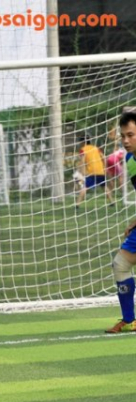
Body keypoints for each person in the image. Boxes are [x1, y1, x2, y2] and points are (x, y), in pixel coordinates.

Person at [106, 111, 136, 333]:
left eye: (131, 135)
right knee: (121, 264)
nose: (126, 140)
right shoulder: (129, 159)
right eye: (123, 136)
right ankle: (130, 320)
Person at [75, 135, 113, 209]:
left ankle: (77, 204)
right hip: (100, 171)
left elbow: (82, 162)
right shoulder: (95, 148)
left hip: (91, 172)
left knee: (84, 187)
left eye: (80, 142)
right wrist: (105, 168)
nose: (80, 143)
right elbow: (104, 157)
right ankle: (112, 202)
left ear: (83, 142)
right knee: (104, 186)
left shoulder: (83, 149)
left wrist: (82, 172)